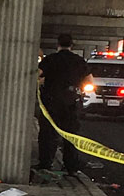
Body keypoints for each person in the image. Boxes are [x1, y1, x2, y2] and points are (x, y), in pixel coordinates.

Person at [37, 34, 91, 174]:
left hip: (51, 101)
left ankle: (45, 164)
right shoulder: (79, 61)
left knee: (48, 134)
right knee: (71, 135)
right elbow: (90, 81)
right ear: (72, 45)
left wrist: (43, 82)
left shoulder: (51, 59)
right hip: (71, 102)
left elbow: (38, 74)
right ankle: (71, 167)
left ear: (58, 44)